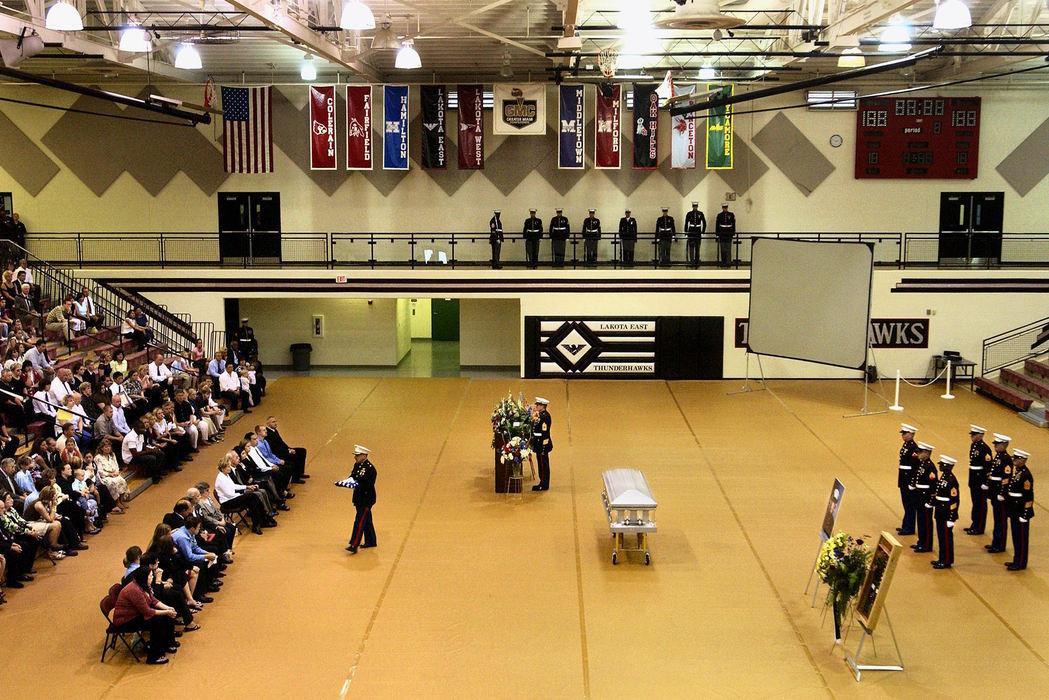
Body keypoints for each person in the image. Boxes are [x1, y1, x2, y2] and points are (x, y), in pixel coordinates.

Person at [112, 564, 179, 664]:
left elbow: (153, 600)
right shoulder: (134, 590)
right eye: (150, 576)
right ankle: (154, 656)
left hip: (135, 614)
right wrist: (167, 612)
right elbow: (148, 611)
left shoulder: (144, 585)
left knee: (164, 616)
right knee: (156, 622)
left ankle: (168, 644)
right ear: (144, 578)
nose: (152, 577)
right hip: (125, 620)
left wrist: (168, 608)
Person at [929, 455, 961, 569]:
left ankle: (946, 560)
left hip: (946, 512)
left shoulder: (952, 481)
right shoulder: (944, 477)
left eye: (942, 465)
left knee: (946, 538)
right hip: (940, 510)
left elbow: (954, 501)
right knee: (941, 536)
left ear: (948, 467)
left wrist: (951, 518)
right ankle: (942, 558)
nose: (940, 466)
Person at [345, 444, 377, 554]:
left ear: (364, 455)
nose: (355, 457)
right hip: (359, 498)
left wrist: (354, 484)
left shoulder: (370, 469)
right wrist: (346, 482)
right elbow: (353, 476)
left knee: (359, 521)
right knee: (366, 519)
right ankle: (371, 540)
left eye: (358, 455)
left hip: (366, 499)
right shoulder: (357, 465)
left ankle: (354, 544)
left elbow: (366, 485)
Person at [1005, 448, 1033, 571]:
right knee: (1016, 536)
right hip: (1015, 508)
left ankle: (1020, 562)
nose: (1014, 460)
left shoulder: (1026, 475)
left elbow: (1028, 496)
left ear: (1023, 460)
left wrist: (1025, 514)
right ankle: (1016, 559)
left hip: (1021, 510)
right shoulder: (1018, 472)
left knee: (1021, 538)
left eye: (1016, 458)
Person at [985, 433, 1013, 554]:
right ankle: (995, 542)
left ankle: (1000, 544)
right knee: (997, 518)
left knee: (1000, 519)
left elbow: (1006, 477)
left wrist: (1002, 493)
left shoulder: (1006, 459)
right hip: (994, 490)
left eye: (998, 444)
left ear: (1005, 445)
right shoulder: (998, 456)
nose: (995, 446)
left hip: (1000, 494)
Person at [965, 425, 992, 535]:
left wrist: (986, 483)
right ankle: (974, 523)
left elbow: (988, 467)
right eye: (972, 435)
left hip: (980, 480)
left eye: (974, 435)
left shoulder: (985, 448)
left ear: (981, 436)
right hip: (974, 479)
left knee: (980, 504)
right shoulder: (974, 446)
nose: (972, 437)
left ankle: (979, 527)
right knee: (975, 503)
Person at [911, 442, 937, 553]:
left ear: (927, 453)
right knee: (920, 520)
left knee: (926, 522)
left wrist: (931, 501)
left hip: (925, 497)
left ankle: (926, 544)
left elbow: (933, 486)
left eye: (920, 452)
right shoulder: (922, 464)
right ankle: (921, 541)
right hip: (919, 496)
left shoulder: (930, 467)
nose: (918, 454)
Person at [896, 423, 920, 536]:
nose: (903, 436)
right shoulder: (906, 445)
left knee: (910, 504)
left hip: (908, 479)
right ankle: (905, 524)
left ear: (912, 434)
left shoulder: (914, 448)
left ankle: (909, 527)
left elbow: (915, 467)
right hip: (903, 478)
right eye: (903, 433)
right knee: (905, 503)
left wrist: (912, 482)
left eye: (905, 433)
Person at [531, 397, 552, 492]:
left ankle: (543, 484)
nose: (536, 406)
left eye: (538, 405)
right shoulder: (540, 415)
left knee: (543, 465)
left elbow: (544, 433)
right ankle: (543, 482)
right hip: (539, 443)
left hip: (542, 444)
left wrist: (543, 445)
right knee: (542, 464)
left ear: (542, 406)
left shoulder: (544, 417)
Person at [684, 201, 706, 268]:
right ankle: (691, 262)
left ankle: (696, 261)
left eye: (696, 206)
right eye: (694, 206)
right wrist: (686, 232)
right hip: (691, 231)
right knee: (691, 247)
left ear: (697, 207)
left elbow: (704, 223)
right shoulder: (689, 214)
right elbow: (686, 223)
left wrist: (703, 232)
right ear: (692, 207)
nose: (695, 207)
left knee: (697, 247)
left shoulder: (700, 213)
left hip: (698, 232)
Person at [715, 203, 736, 268]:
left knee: (728, 249)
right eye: (724, 208)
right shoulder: (719, 215)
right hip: (722, 233)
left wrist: (733, 233)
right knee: (723, 249)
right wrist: (717, 234)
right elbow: (717, 225)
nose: (725, 209)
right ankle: (723, 262)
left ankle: (728, 262)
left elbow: (733, 224)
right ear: (722, 208)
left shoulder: (731, 214)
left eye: (726, 207)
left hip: (729, 233)